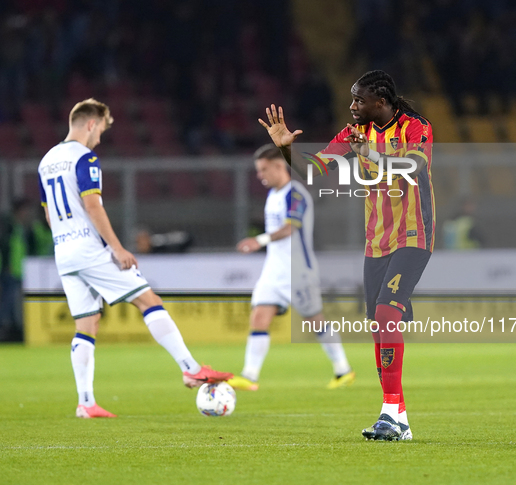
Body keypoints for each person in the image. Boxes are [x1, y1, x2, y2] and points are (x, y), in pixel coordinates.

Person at [258, 70, 435, 441]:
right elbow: (313, 170)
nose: (352, 106)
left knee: (387, 315)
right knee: (378, 326)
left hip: (413, 235)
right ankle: (399, 421)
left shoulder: (416, 128)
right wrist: (286, 148)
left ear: (381, 102)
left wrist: (367, 153)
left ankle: (388, 413)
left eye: (359, 100)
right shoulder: (352, 134)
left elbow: (413, 167)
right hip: (376, 242)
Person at [37, 98, 232, 418]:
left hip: (64, 251)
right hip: (89, 248)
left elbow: (48, 213)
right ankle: (191, 369)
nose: (99, 137)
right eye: (100, 129)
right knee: (148, 300)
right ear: (90, 123)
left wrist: (64, 240)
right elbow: (93, 206)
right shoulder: (84, 158)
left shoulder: (46, 161)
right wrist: (116, 247)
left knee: (86, 324)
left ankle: (85, 403)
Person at [228, 144, 355, 391]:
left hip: (297, 270)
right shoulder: (273, 195)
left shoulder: (295, 193)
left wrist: (260, 240)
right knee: (259, 316)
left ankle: (343, 370)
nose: (260, 175)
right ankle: (249, 376)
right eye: (258, 170)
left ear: (278, 166)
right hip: (273, 269)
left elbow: (290, 227)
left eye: (264, 169)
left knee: (315, 320)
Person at [0, 198, 53, 342]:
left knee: (16, 301)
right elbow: (6, 247)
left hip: (22, 270)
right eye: (24, 210)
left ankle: (14, 328)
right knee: (8, 301)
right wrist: (6, 265)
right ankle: (6, 329)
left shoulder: (22, 227)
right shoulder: (9, 226)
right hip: (11, 270)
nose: (26, 213)